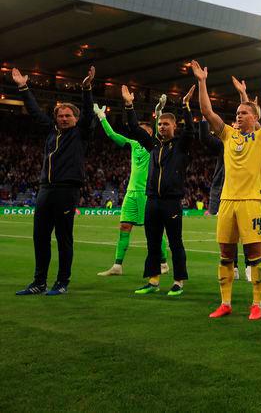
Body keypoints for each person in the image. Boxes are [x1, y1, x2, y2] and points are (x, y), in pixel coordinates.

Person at [193, 61, 261, 321]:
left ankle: (257, 303)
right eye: (237, 113)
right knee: (226, 255)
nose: (238, 116)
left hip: (251, 202)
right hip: (227, 201)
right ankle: (225, 302)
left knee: (254, 256)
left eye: (244, 113)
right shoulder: (228, 135)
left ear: (254, 117)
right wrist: (202, 82)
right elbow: (207, 111)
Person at [12, 66, 95, 296]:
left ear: (75, 119)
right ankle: (39, 282)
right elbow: (35, 111)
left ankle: (62, 282)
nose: (64, 118)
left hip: (67, 191)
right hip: (45, 190)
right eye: (60, 115)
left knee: (63, 238)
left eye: (68, 115)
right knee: (40, 237)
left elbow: (89, 114)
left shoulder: (81, 133)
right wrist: (23, 87)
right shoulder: (51, 131)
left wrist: (87, 89)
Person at [121, 85, 193, 296]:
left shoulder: (181, 145)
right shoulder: (152, 145)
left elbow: (190, 130)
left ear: (174, 127)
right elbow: (134, 128)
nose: (162, 127)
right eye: (160, 124)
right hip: (152, 201)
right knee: (153, 243)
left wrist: (186, 106)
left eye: (166, 124)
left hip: (171, 201)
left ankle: (179, 281)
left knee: (175, 243)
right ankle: (153, 281)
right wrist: (128, 105)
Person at [94, 97, 173, 277]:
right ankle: (117, 265)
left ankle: (163, 263)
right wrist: (102, 118)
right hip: (131, 193)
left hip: (147, 193)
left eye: (144, 131)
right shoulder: (132, 144)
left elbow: (158, 129)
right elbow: (112, 135)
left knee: (154, 230)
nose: (139, 134)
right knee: (124, 227)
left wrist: (158, 110)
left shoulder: (153, 145)